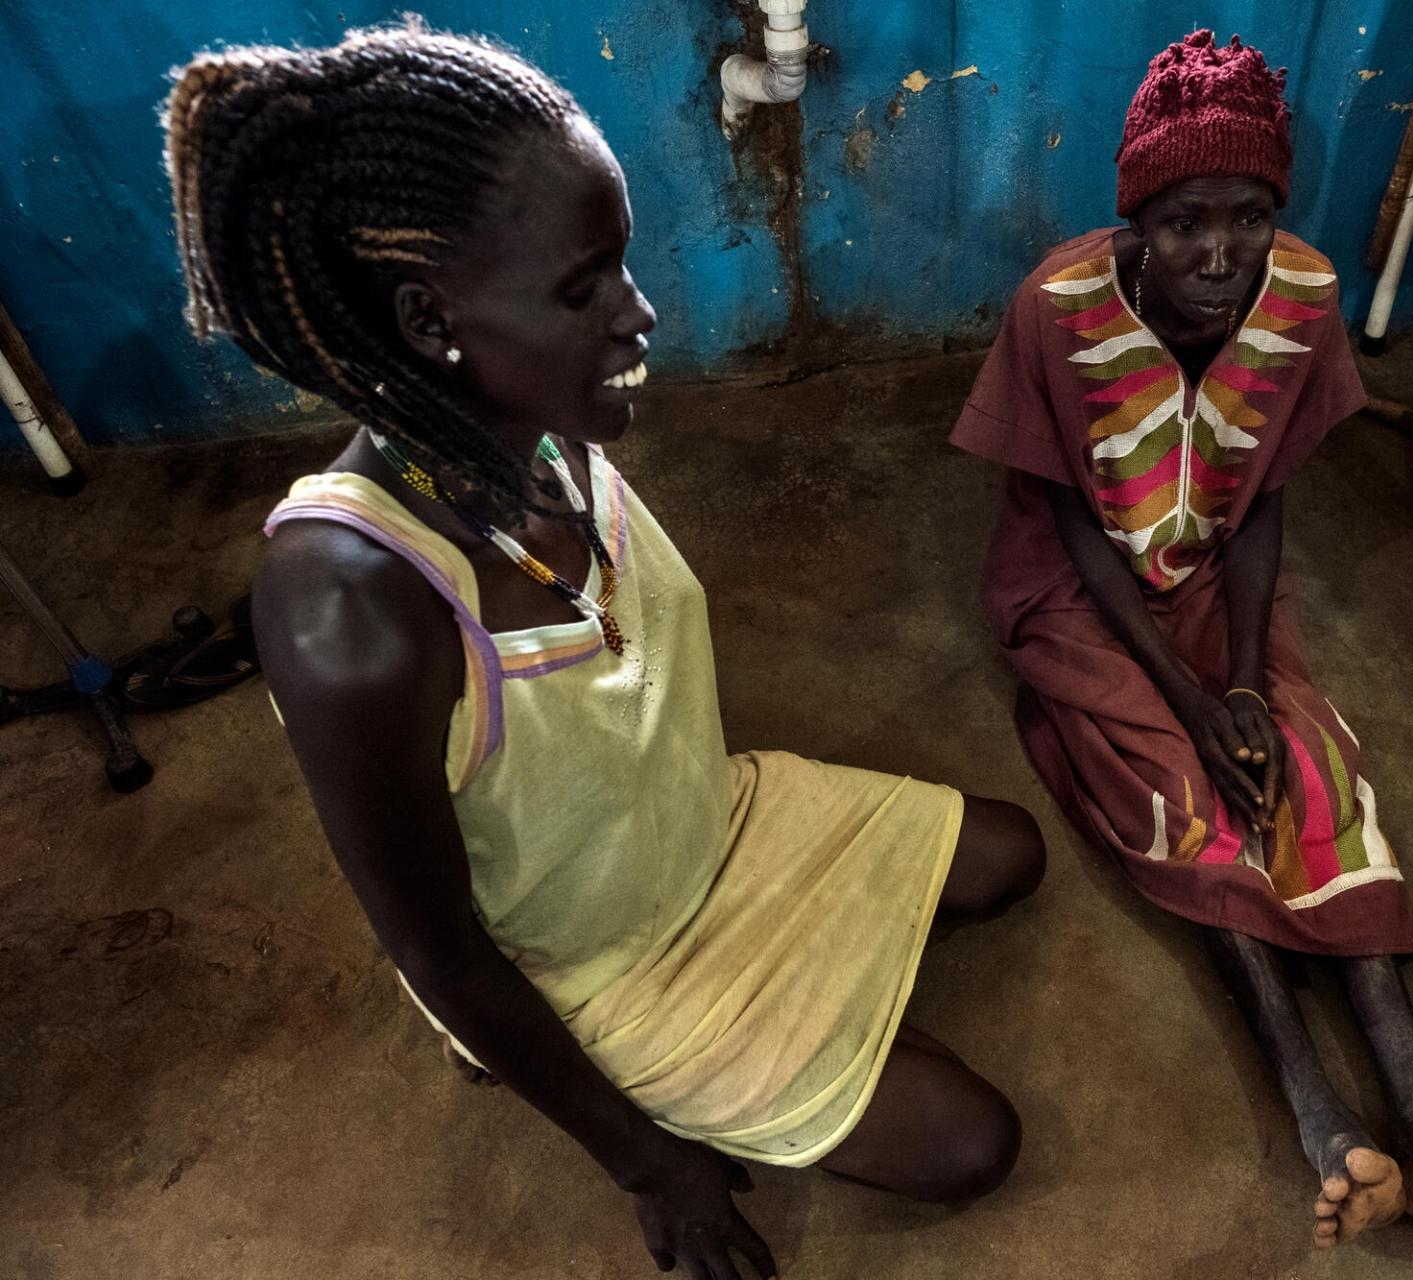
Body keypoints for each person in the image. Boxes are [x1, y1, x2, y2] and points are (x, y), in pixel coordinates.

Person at [162, 24, 1045, 1279]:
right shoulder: (351, 610)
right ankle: (658, 1060)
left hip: (693, 825)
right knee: (971, 1142)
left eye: (618, 265)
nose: (640, 310)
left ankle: (773, 997)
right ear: (429, 321)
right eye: (584, 288)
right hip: (592, 958)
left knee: (1013, 853)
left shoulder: (537, 424)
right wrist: (648, 1162)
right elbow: (440, 948)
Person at [950, 31, 1413, 1249]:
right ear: (1135, 216)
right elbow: (1070, 530)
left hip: (1214, 583)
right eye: (1187, 220)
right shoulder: (1056, 307)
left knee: (1310, 768)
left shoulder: (1300, 300)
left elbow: (1264, 506)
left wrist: (1245, 678)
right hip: (1076, 593)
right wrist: (1193, 704)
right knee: (1190, 784)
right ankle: (1314, 1101)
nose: (1220, 255)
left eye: (1249, 216)